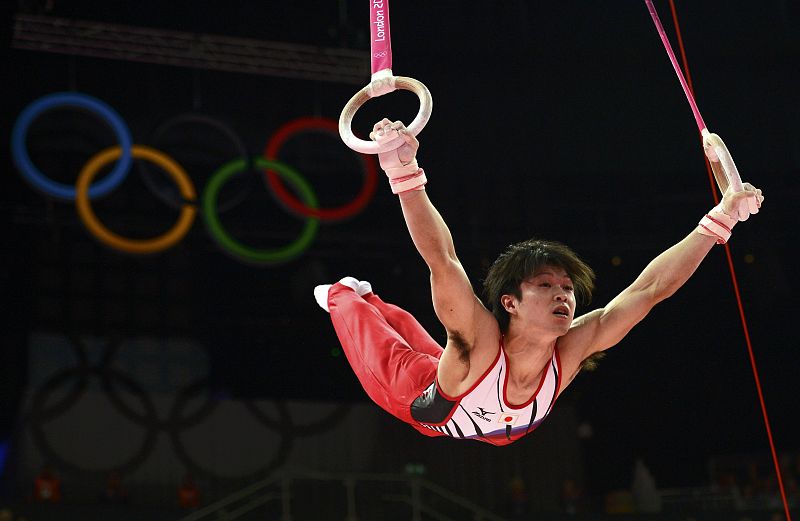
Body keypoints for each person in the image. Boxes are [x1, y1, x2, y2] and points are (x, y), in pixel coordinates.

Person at [314, 118, 764, 446]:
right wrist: (404, 175)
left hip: (477, 404)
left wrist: (719, 220)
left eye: (566, 287)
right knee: (372, 329)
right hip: (424, 405)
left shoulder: (572, 346)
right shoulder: (481, 340)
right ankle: (345, 295)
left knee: (416, 339)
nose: (564, 295)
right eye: (546, 285)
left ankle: (368, 295)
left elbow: (649, 290)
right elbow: (442, 260)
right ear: (509, 302)